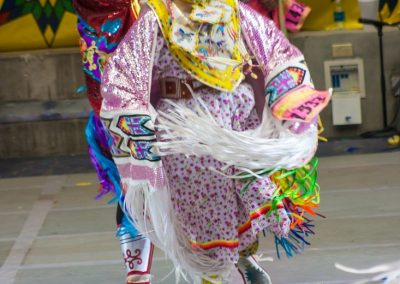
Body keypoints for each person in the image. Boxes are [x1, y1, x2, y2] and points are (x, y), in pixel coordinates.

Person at [100, 0, 331, 282]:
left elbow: (274, 51)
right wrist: (136, 120)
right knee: (201, 215)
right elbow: (123, 76)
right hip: (186, 131)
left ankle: (242, 258)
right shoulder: (158, 17)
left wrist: (288, 93)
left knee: (243, 197)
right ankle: (213, 272)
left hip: (235, 124)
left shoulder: (233, 11)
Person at [72, 1, 154, 283]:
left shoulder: (87, 10)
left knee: (133, 191)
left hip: (110, 116)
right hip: (141, 117)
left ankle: (137, 272)